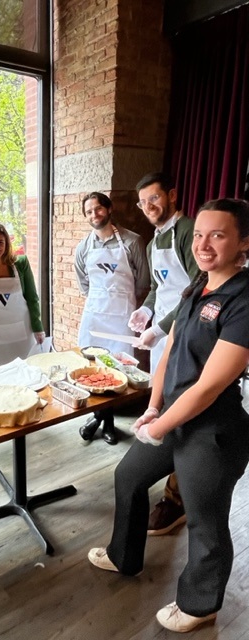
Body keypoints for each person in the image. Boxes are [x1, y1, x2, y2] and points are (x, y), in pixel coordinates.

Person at [88, 198, 249, 633]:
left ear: (243, 243)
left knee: (205, 520)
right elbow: (169, 352)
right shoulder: (199, 285)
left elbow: (210, 385)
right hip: (171, 417)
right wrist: (153, 406)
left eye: (218, 234)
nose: (204, 244)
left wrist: (158, 426)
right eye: (199, 234)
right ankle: (125, 555)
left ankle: (200, 606)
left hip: (213, 430)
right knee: (129, 477)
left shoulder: (244, 299)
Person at [128, 172, 200, 535]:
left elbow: (197, 288)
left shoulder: (187, 231)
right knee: (164, 401)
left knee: (182, 412)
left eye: (154, 199)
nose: (149, 207)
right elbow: (161, 287)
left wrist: (162, 326)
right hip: (166, 333)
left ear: (172, 195)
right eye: (143, 203)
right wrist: (146, 311)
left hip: (187, 333)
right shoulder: (153, 241)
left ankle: (178, 499)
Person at [74, 192, 150, 445]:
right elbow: (83, 283)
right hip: (94, 316)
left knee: (118, 370)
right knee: (94, 368)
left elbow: (142, 283)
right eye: (88, 212)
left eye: (97, 209)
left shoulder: (132, 241)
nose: (93, 215)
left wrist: (122, 300)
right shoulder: (83, 247)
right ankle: (101, 419)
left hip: (121, 318)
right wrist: (100, 298)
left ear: (108, 209)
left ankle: (104, 421)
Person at [0, 223, 45, 367]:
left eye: (1, 242)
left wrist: (38, 328)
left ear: (7, 243)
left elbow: (32, 298)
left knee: (27, 369)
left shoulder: (21, 263)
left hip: (22, 330)